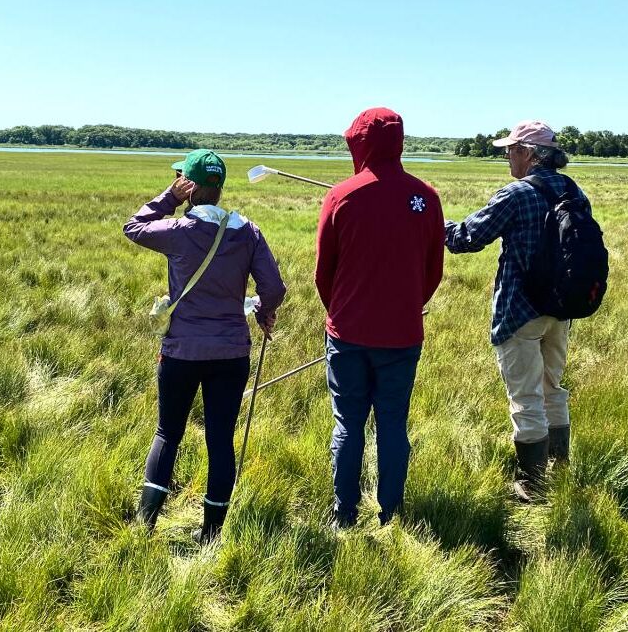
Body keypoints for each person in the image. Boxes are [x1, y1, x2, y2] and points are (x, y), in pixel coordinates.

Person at [124, 149, 286, 540]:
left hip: (181, 351)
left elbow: (134, 226)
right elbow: (275, 289)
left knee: (168, 433)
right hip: (231, 353)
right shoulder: (247, 232)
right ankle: (211, 533)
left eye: (183, 178)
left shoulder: (179, 232)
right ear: (221, 187)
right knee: (219, 438)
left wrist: (169, 198)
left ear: (191, 186)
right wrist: (263, 310)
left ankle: (145, 525)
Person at [444, 120, 589, 502]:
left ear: (528, 153)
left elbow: (465, 239)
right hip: (562, 310)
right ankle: (559, 470)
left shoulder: (516, 194)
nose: (507, 156)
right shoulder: (575, 191)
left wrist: (435, 224)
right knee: (552, 389)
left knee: (525, 397)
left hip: (520, 311)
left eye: (510, 150)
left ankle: (532, 486)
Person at [315, 107, 445, 528]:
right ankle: (390, 515)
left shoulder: (341, 196)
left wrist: (341, 311)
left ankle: (344, 513)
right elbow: (433, 271)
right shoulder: (425, 197)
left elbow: (323, 272)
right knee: (392, 423)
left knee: (348, 423)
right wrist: (408, 302)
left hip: (349, 333)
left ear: (361, 144)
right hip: (402, 334)